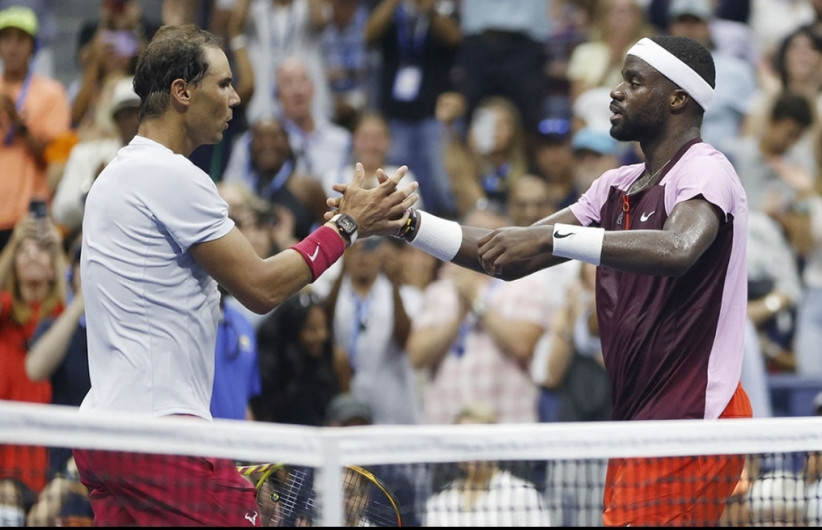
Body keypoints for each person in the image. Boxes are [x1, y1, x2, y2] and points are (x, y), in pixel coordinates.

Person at [354, 35, 752, 526]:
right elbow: (505, 254)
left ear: (677, 99)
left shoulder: (706, 169)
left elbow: (678, 248)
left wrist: (554, 238)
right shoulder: (614, 187)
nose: (616, 92)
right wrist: (406, 223)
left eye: (634, 82)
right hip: (639, 418)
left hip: (694, 414)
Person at [72, 24, 417, 527]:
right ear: (182, 91)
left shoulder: (115, 177)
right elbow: (260, 286)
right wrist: (347, 227)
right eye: (223, 83)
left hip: (102, 438)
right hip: (159, 435)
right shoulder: (171, 175)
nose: (236, 97)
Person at [0, 5, 71, 253]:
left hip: (28, 216)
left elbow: (53, 158)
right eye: (5, 38)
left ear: (33, 46)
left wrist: (17, 122)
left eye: (21, 39)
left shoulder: (52, 93)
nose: (12, 47)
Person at [421, 401, 551, 527]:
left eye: (477, 440)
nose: (470, 448)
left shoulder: (524, 496)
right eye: (463, 441)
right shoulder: (438, 505)